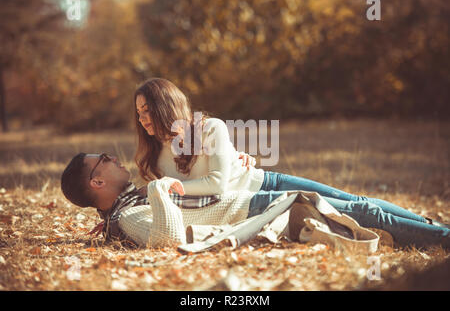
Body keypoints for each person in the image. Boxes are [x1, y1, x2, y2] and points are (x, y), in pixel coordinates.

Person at [133, 78, 449, 231]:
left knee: (358, 204)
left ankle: (432, 229)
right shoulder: (152, 159)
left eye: (148, 110)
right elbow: (168, 202)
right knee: (355, 213)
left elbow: (216, 183)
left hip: (266, 182)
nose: (143, 119)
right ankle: (434, 232)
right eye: (139, 113)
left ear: (167, 106)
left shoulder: (209, 127)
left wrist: (182, 184)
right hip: (253, 205)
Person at [60, 153, 450, 249]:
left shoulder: (128, 202)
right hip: (257, 210)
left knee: (364, 206)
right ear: (96, 181)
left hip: (250, 197)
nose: (113, 158)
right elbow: (167, 238)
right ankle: (442, 238)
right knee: (365, 212)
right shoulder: (128, 216)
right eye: (104, 161)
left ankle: (436, 232)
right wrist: (159, 189)